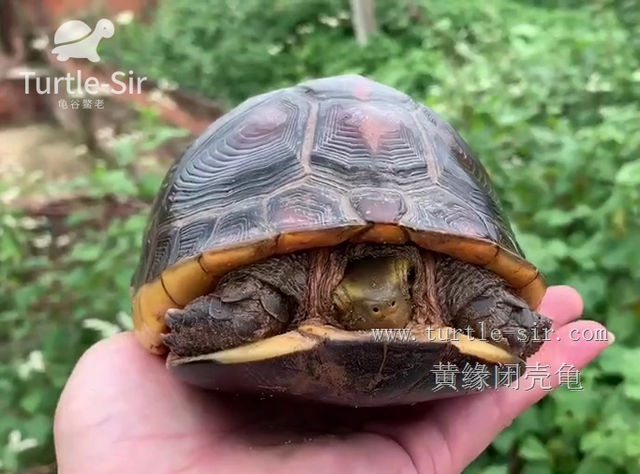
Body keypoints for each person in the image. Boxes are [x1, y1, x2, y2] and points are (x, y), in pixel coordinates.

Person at [54, 285, 612, 474]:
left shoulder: (452, 288)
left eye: (400, 290)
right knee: (250, 310)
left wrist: (510, 323)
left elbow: (508, 317)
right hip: (274, 281)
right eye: (354, 295)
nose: (377, 309)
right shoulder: (268, 292)